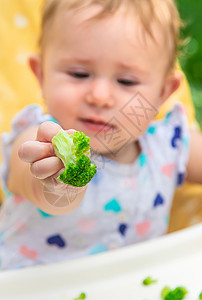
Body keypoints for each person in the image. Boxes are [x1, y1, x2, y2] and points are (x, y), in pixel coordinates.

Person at [0, 0, 202, 270]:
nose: (100, 96)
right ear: (41, 76)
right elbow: (34, 182)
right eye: (79, 74)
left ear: (163, 93)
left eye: (126, 81)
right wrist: (57, 184)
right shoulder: (36, 136)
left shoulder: (169, 144)